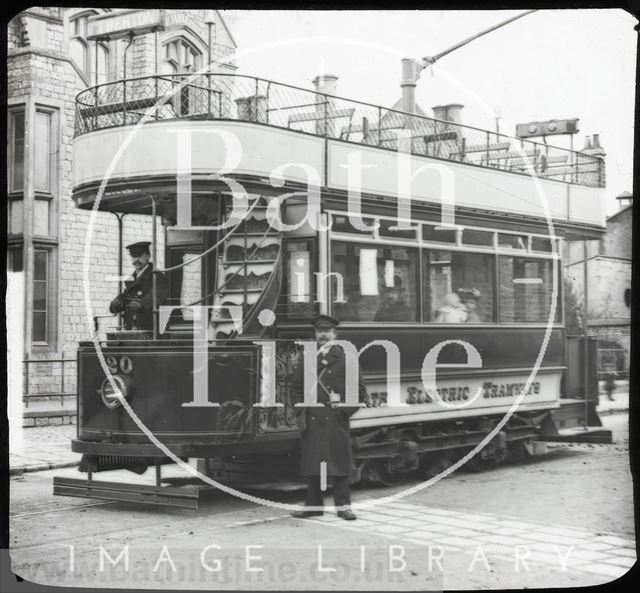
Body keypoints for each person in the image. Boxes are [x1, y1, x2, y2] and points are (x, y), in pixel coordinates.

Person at [290, 314, 368, 521]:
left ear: (335, 334)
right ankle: (313, 506)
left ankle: (343, 506)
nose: (323, 335)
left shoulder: (347, 358)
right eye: (319, 331)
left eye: (327, 331)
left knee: (339, 464)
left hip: (335, 419)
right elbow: (296, 389)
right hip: (312, 418)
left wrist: (342, 412)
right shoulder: (307, 358)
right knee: (313, 464)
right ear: (315, 334)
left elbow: (359, 393)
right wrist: (300, 411)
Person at [109, 241, 169, 330]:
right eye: (133, 256)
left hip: (150, 329)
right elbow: (128, 294)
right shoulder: (133, 277)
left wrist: (141, 304)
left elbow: (156, 296)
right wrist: (118, 301)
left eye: (139, 256)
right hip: (132, 327)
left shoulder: (157, 276)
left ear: (148, 256)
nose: (136, 260)